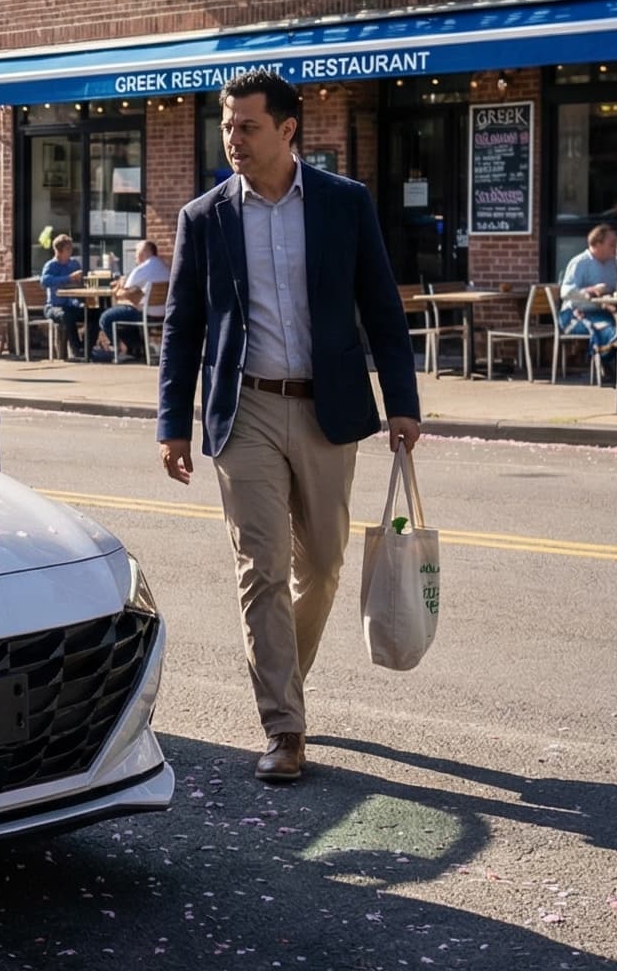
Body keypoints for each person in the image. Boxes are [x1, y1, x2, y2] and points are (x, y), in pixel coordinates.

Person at [158, 70, 422, 784]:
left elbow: (382, 310)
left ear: (287, 130)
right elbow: (183, 328)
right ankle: (284, 726)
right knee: (262, 570)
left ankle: (284, 677)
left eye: (247, 126)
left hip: (327, 405)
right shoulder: (204, 217)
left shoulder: (344, 204)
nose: (233, 139)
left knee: (325, 565)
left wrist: (403, 403)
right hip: (244, 410)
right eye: (226, 125)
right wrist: (172, 424)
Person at [558, 224, 617, 372]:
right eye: (611, 244)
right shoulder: (580, 262)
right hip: (574, 314)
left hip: (602, 312)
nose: (615, 248)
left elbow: (613, 290)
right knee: (608, 332)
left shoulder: (612, 264)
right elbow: (565, 291)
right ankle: (605, 365)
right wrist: (591, 291)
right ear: (597, 244)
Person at [96, 239, 171, 360]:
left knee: (106, 317)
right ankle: (136, 349)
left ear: (144, 253)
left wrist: (120, 284)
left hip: (146, 313)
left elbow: (124, 291)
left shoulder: (143, 268)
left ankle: (121, 350)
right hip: (163, 313)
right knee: (123, 313)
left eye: (137, 252)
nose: (136, 256)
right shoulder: (163, 266)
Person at [40, 235, 88, 357]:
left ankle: (87, 347)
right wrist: (69, 278)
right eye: (68, 249)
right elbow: (45, 281)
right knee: (67, 316)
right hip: (53, 306)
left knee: (93, 313)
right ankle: (76, 349)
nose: (71, 252)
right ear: (58, 251)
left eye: (71, 249)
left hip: (73, 303)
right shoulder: (51, 265)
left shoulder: (74, 264)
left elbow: (82, 282)